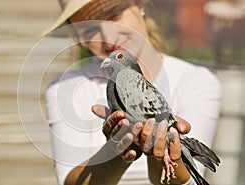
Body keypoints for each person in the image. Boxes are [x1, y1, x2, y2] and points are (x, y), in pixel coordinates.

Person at [44, 0, 221, 184]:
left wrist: (159, 152)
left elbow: (188, 181)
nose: (108, 36)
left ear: (140, 5)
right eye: (90, 30)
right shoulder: (66, 88)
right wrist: (117, 150)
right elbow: (70, 181)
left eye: (114, 15)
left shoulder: (196, 81)